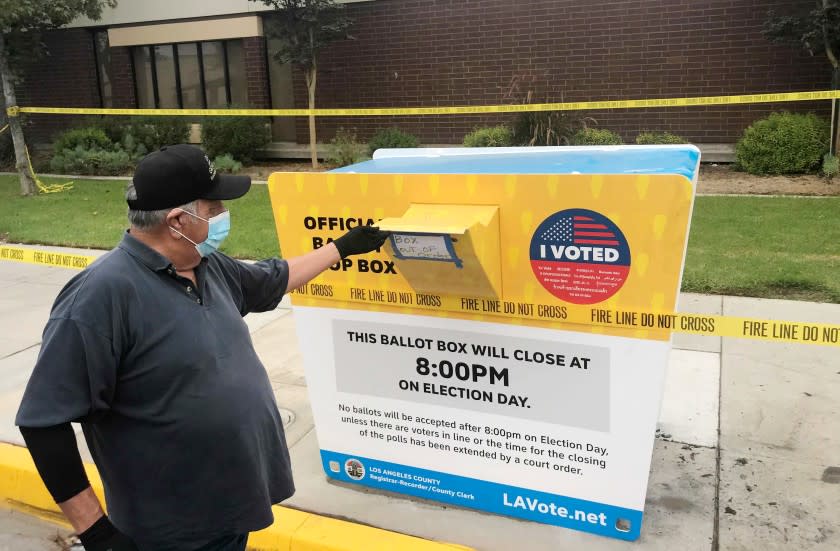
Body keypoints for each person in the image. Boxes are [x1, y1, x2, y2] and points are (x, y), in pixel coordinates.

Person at [15, 144, 389, 551]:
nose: (224, 217)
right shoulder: (101, 296)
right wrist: (98, 534)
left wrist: (343, 247)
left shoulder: (207, 266)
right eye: (214, 209)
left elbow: (273, 279)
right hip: (170, 533)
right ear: (178, 221)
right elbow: (43, 422)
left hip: (231, 510)